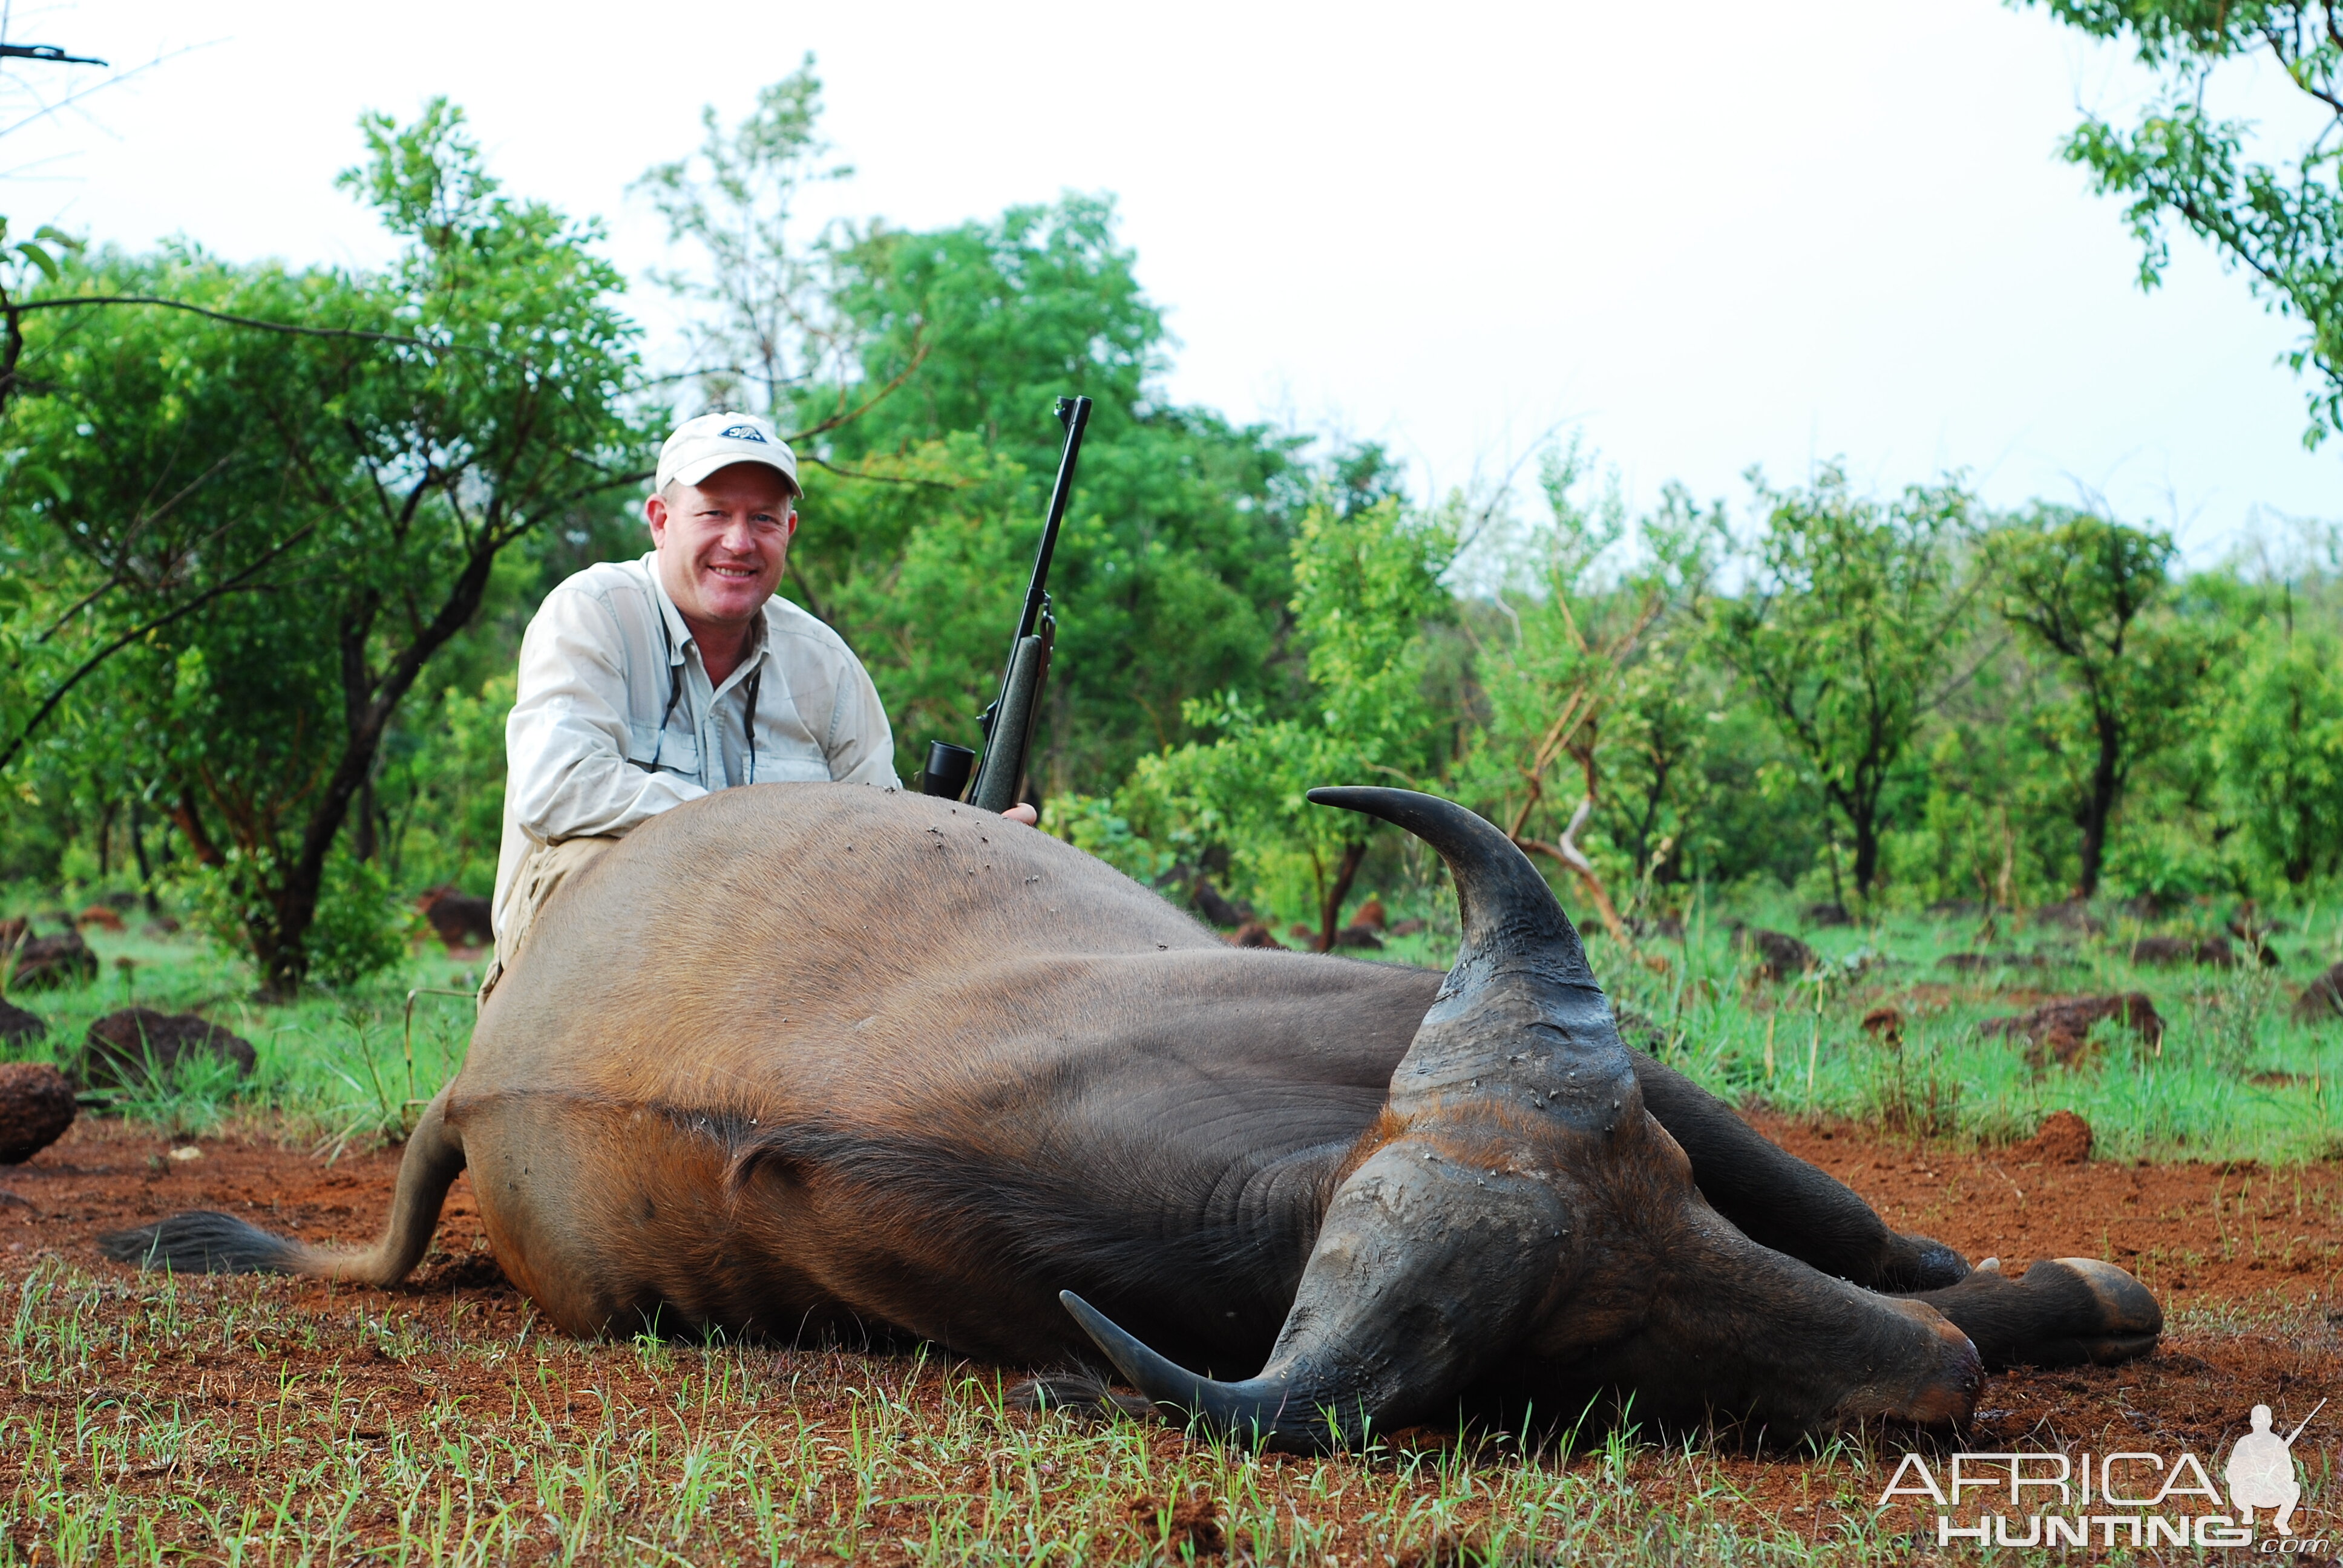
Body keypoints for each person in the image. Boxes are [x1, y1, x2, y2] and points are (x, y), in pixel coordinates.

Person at [482, 411, 1033, 999]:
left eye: (763, 519)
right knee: (593, 859)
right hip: (586, 986)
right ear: (660, 521)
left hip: (767, 975)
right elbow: (558, 789)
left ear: (789, 530)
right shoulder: (593, 612)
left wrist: (962, 846)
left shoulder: (826, 663)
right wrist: (767, 832)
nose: (739, 542)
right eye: (714, 512)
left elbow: (879, 839)